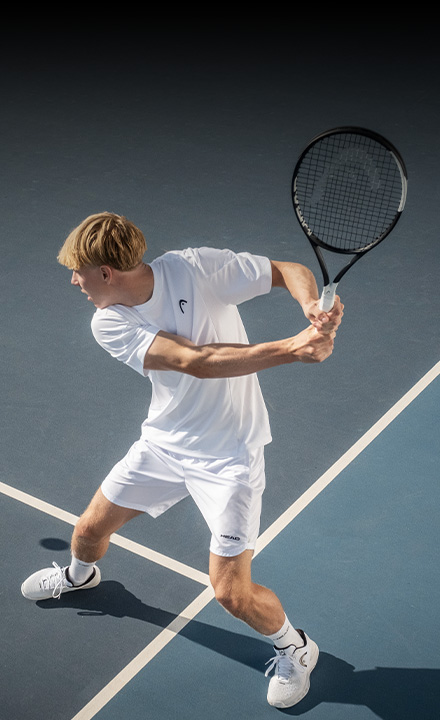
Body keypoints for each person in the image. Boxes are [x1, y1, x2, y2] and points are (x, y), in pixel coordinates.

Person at [21, 212, 343, 709]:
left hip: (230, 460)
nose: (74, 282)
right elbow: (195, 360)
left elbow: (286, 269)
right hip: (163, 446)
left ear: (106, 272)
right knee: (87, 531)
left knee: (231, 594)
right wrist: (291, 348)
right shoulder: (109, 321)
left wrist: (311, 309)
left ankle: (296, 647)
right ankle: (79, 576)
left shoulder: (195, 268)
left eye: (78, 272)